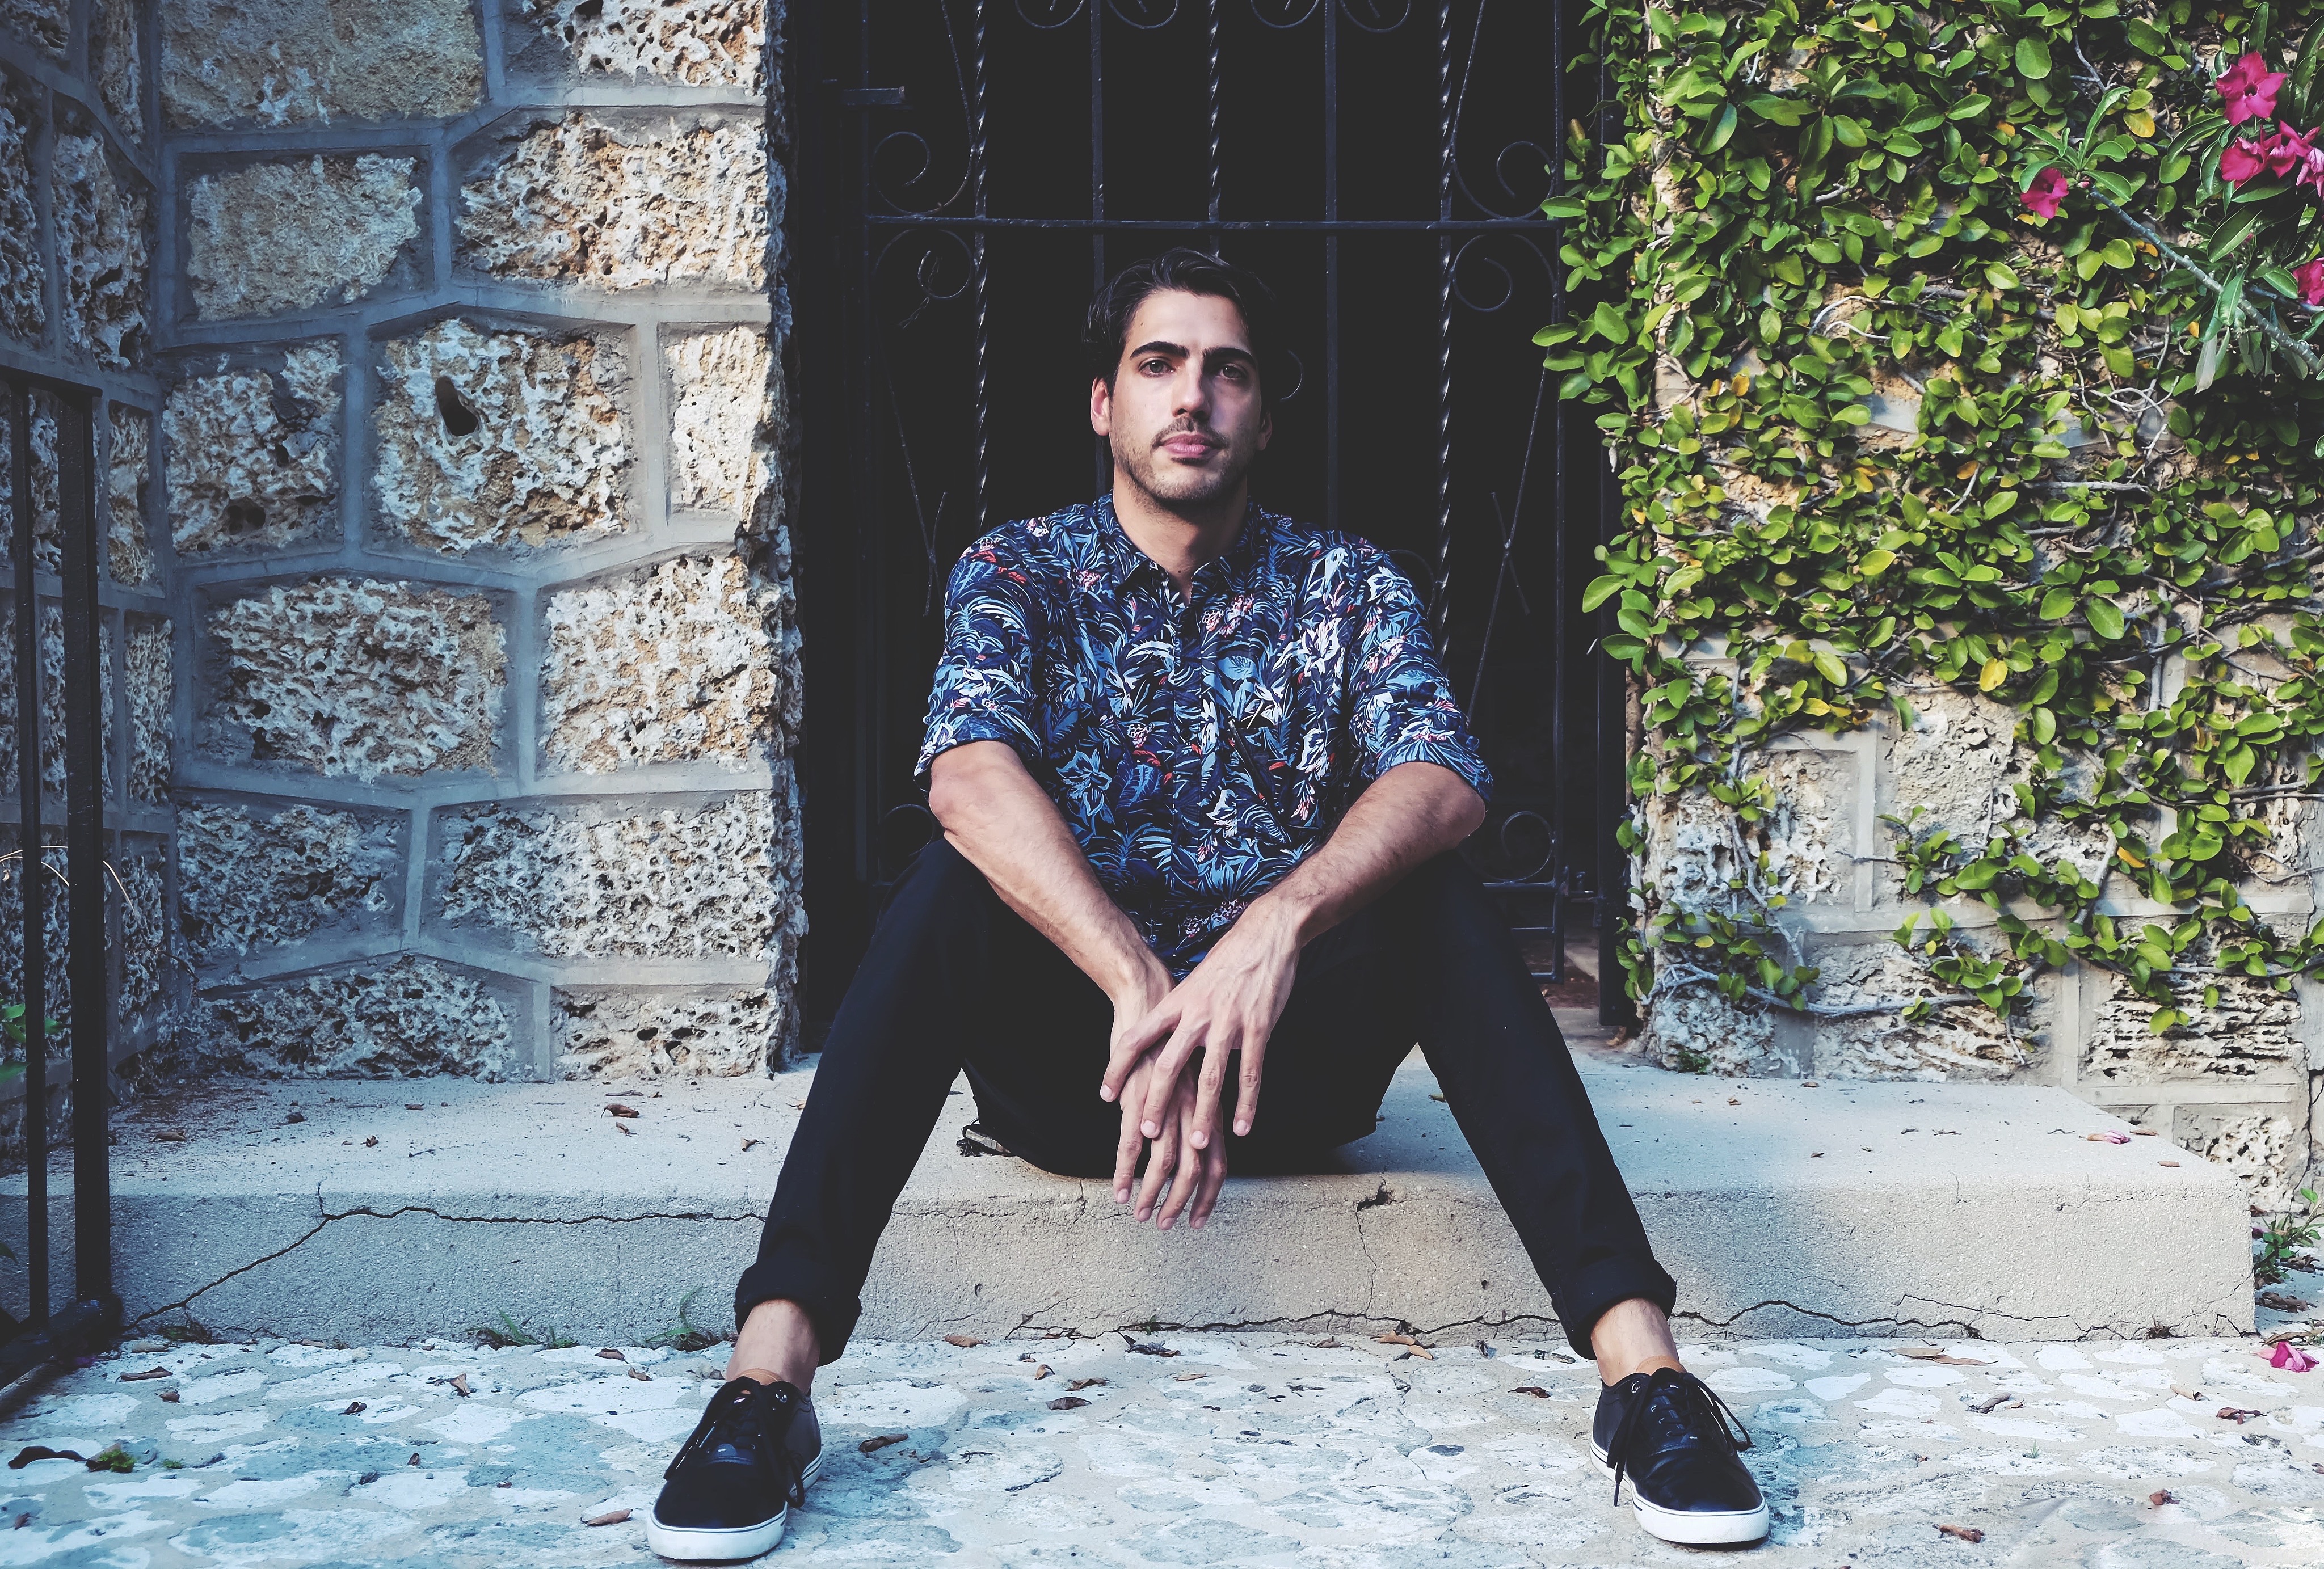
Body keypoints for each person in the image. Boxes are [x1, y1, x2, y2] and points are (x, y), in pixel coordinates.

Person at [645, 248, 1769, 1560]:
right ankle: (767, 1383)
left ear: (1264, 414)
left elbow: (1441, 777)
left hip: (1287, 1072)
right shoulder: (1020, 571)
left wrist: (1272, 929)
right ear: (1102, 403)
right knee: (950, 879)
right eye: (1158, 365)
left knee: (1432, 890)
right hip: (1085, 1077)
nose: (1192, 397)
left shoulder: (1346, 583)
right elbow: (966, 774)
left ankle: (1644, 1377)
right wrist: (1134, 975)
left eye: (1227, 372)